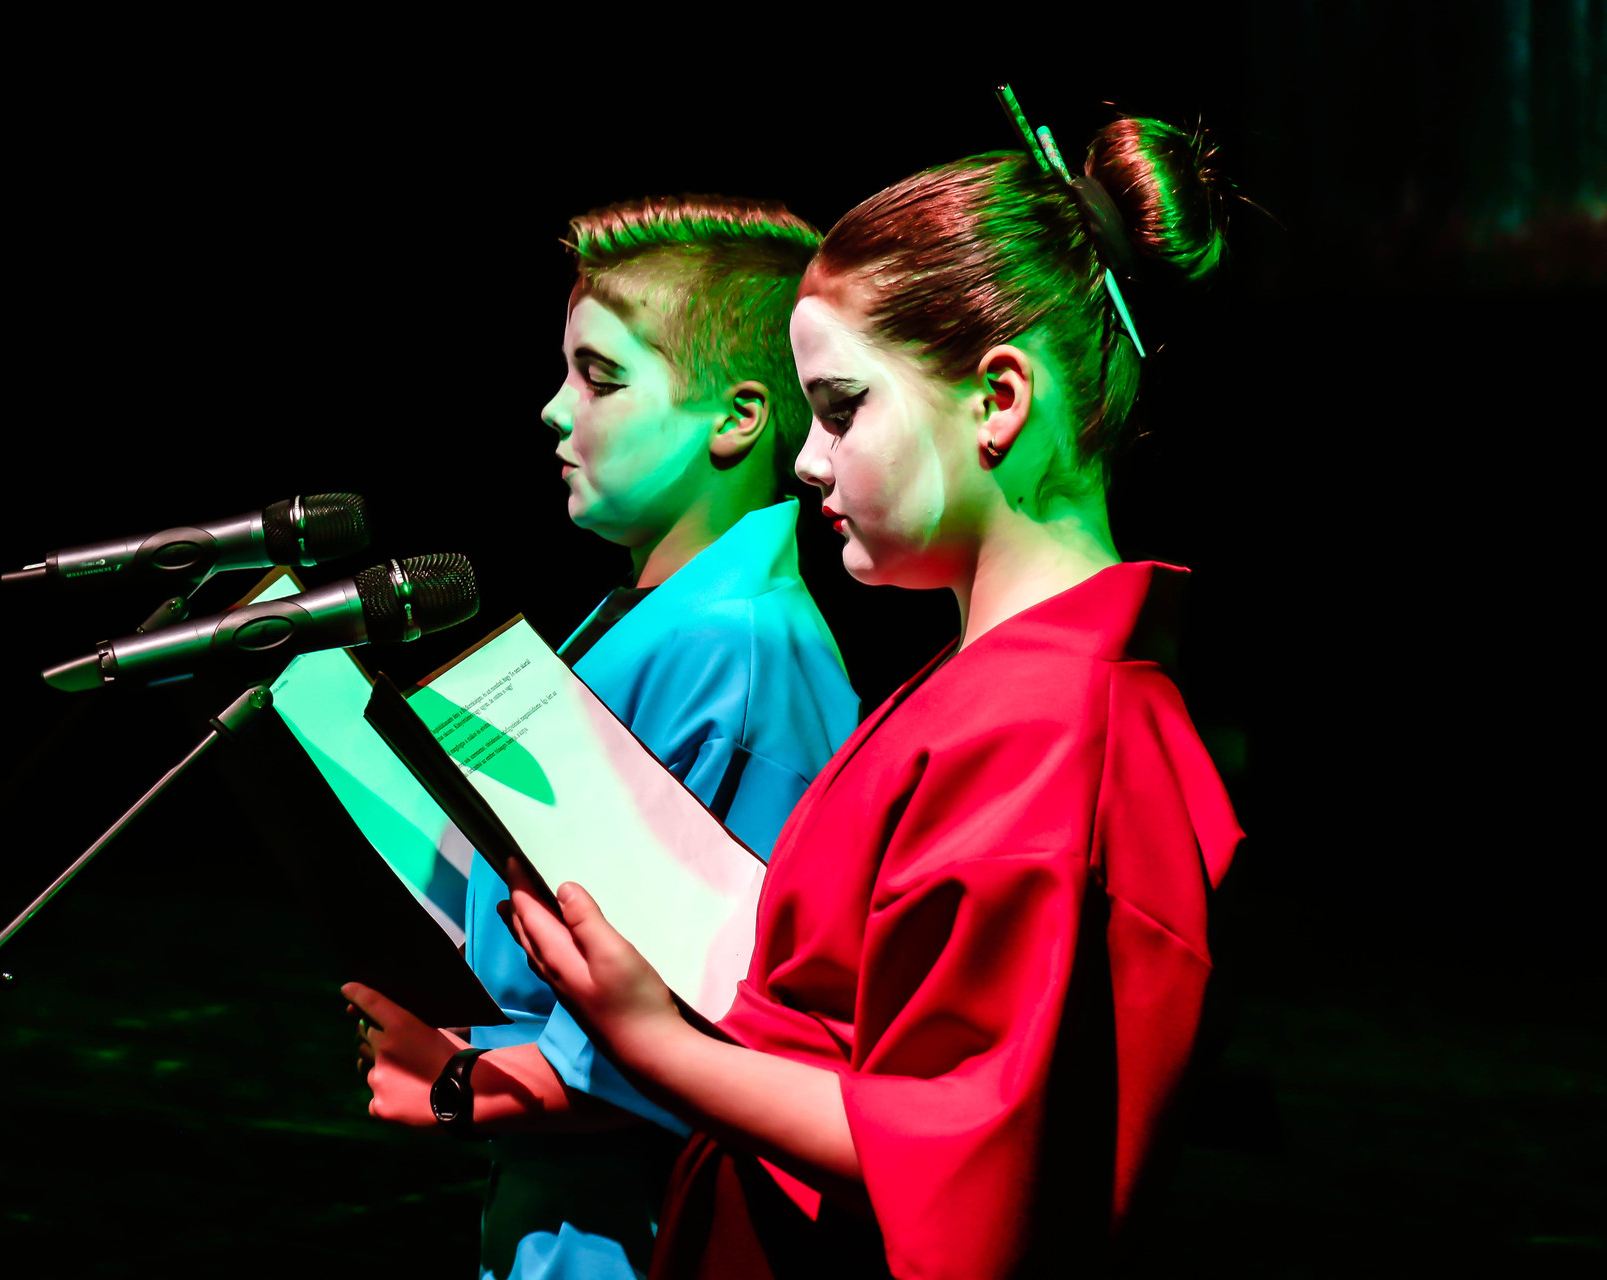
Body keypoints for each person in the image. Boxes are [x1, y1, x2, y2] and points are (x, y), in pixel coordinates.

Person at [502, 111, 1246, 1278]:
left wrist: (652, 1038)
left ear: (998, 399)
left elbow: (963, 1148)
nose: (807, 458)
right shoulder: (999, 690)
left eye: (843, 405)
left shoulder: (1048, 731)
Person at [345, 195, 859, 1280]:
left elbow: (723, 1018)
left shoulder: (745, 650)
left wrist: (458, 1083)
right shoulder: (650, 618)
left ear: (738, 417)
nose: (553, 409)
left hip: (642, 1234)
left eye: (602, 377)